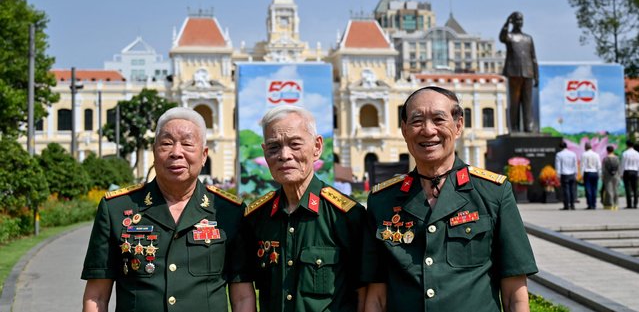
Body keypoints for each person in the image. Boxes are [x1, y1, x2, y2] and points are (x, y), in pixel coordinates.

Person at [365, 86, 537, 312]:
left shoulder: (493, 193)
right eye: (417, 121)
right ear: (404, 130)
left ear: (458, 126)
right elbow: (377, 297)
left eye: (438, 119)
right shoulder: (383, 201)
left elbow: (515, 293)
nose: (428, 130)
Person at [81, 107, 255, 312]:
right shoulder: (117, 209)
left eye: (188, 144)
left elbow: (243, 297)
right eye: (166, 144)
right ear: (154, 152)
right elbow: (97, 297)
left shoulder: (229, 212)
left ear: (204, 155)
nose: (176, 153)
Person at [242, 105, 374, 312]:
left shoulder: (347, 216)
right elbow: (244, 289)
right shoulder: (257, 217)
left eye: (295, 144)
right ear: (265, 153)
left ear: (317, 147)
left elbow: (367, 295)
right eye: (273, 147)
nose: (284, 155)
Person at [499, 11, 538, 133]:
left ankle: (528, 126)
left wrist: (536, 75)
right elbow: (502, 37)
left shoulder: (528, 38)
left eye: (521, 20)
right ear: (513, 22)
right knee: (515, 102)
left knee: (527, 101)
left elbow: (533, 57)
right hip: (514, 73)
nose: (519, 22)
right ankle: (514, 127)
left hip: (528, 73)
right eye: (517, 20)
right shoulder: (509, 36)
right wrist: (506, 22)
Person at [555, 141, 579, 210]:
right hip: (572, 173)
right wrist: (576, 173)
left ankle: (566, 205)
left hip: (564, 174)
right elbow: (575, 164)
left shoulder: (559, 154)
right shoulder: (573, 154)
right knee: (572, 190)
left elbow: (558, 166)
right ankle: (572, 205)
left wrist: (558, 175)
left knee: (566, 190)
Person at [581, 142, 601, 209]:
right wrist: (599, 174)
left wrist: (581, 174)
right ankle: (594, 204)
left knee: (588, 189)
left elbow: (582, 165)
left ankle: (590, 204)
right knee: (594, 189)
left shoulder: (584, 154)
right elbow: (599, 165)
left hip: (587, 173)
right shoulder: (596, 154)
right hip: (595, 172)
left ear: (585, 147)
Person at [620, 140, 639, 209]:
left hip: (627, 171)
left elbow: (622, 164)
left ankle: (629, 204)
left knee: (628, 188)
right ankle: (635, 204)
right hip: (635, 171)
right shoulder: (637, 153)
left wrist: (621, 173)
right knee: (635, 188)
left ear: (627, 145)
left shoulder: (625, 153)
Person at [602, 145, 621, 210]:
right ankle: (616, 204)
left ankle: (610, 204)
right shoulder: (617, 158)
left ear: (607, 151)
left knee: (609, 189)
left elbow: (603, 169)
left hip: (608, 176)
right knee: (615, 189)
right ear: (613, 150)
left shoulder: (605, 159)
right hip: (616, 175)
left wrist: (602, 176)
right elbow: (619, 168)